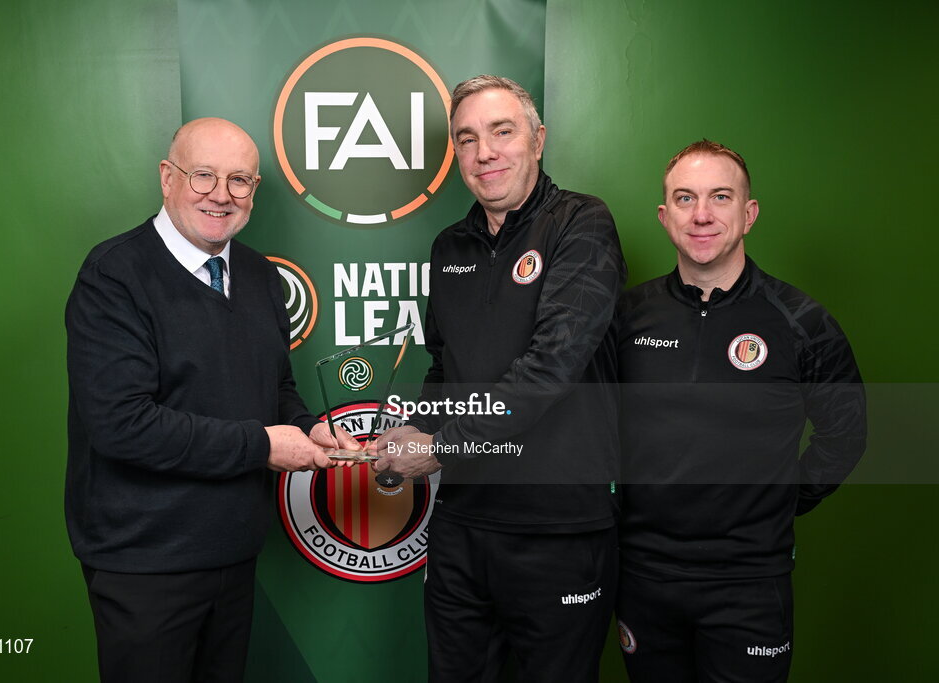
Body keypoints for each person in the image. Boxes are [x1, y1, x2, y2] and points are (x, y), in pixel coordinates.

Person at [65, 117, 357, 683]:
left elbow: (273, 386)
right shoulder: (114, 276)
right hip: (144, 563)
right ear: (167, 178)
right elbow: (122, 425)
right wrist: (263, 445)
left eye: (239, 180)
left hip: (233, 552)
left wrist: (307, 426)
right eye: (203, 176)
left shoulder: (259, 274)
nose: (221, 195)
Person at [369, 76, 626, 682]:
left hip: (558, 528)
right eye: (466, 139)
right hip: (462, 525)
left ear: (538, 140)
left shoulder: (581, 223)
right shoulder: (447, 246)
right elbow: (443, 368)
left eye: (502, 132)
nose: (484, 152)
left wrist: (439, 447)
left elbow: (550, 369)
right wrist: (398, 437)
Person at [615, 140, 867, 682]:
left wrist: (777, 500)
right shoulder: (625, 319)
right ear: (664, 217)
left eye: (720, 197)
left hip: (751, 584)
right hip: (643, 577)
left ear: (748, 213)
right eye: (685, 199)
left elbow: (846, 434)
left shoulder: (802, 321)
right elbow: (587, 430)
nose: (701, 214)